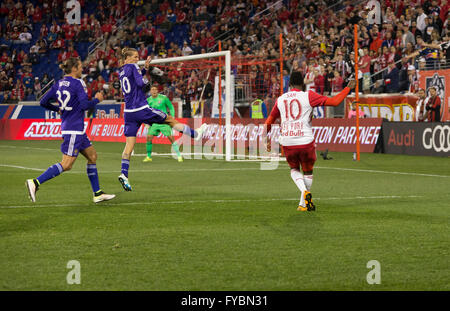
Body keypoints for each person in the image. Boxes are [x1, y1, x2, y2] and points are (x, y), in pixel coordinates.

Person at [25, 57, 115, 203]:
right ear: (74, 69)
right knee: (66, 164)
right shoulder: (78, 83)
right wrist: (97, 99)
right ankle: (35, 182)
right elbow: (85, 105)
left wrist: (57, 109)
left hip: (72, 127)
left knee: (92, 156)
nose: (81, 69)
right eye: (80, 67)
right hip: (74, 129)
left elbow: (43, 101)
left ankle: (97, 193)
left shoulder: (58, 84)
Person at [118, 47, 207, 191]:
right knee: (169, 120)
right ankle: (195, 135)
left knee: (129, 145)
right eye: (135, 57)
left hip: (128, 112)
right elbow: (142, 84)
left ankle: (124, 174)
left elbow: (134, 81)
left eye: (137, 57)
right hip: (141, 109)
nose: (137, 59)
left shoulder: (121, 71)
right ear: (128, 58)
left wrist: (144, 69)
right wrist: (148, 77)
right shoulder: (133, 66)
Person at [264, 71, 356, 212]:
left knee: (294, 169)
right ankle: (304, 197)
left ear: (289, 84)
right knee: (308, 172)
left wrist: (267, 139)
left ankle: (303, 202)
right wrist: (348, 88)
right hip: (306, 140)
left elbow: (269, 122)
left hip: (288, 141)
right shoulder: (309, 95)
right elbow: (335, 101)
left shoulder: (281, 99)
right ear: (302, 83)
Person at [143, 85, 183, 163]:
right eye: (152, 89)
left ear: (157, 91)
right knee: (148, 137)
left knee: (171, 138)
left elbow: (171, 107)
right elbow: (145, 112)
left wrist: (172, 116)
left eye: (155, 89)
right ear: (150, 92)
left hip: (164, 121)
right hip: (154, 123)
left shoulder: (163, 98)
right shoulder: (148, 100)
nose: (154, 91)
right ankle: (148, 157)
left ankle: (179, 155)